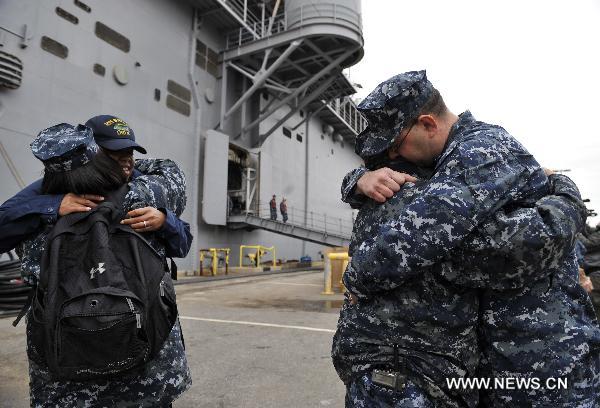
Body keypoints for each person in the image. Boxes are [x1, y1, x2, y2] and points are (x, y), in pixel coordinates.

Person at [337, 70, 600, 406]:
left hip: (545, 361)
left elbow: (433, 238)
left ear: (428, 125)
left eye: (397, 143)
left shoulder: (477, 152)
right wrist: (358, 179)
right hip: (506, 360)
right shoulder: (446, 157)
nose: (392, 157)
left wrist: (358, 278)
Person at [12, 123, 191, 407]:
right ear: (94, 155)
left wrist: (48, 205)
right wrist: (165, 219)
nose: (128, 162)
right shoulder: (143, 200)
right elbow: (182, 235)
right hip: (148, 375)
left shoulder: (36, 219)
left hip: (67, 380)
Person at [0, 114, 192, 262]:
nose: (127, 158)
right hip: (65, 301)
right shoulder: (57, 186)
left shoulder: (143, 185)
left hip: (132, 301)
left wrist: (163, 220)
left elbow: (183, 246)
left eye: (130, 151)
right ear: (91, 152)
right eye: (115, 151)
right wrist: (54, 205)